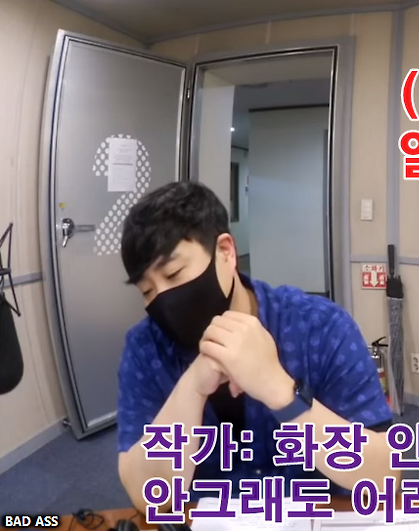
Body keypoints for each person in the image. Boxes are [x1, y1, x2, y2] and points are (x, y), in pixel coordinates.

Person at [116, 181, 397, 511]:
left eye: (174, 274)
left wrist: (280, 391)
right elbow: (147, 496)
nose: (164, 298)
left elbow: (385, 477)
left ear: (226, 252)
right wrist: (192, 387)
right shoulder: (146, 348)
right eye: (147, 291)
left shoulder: (320, 327)